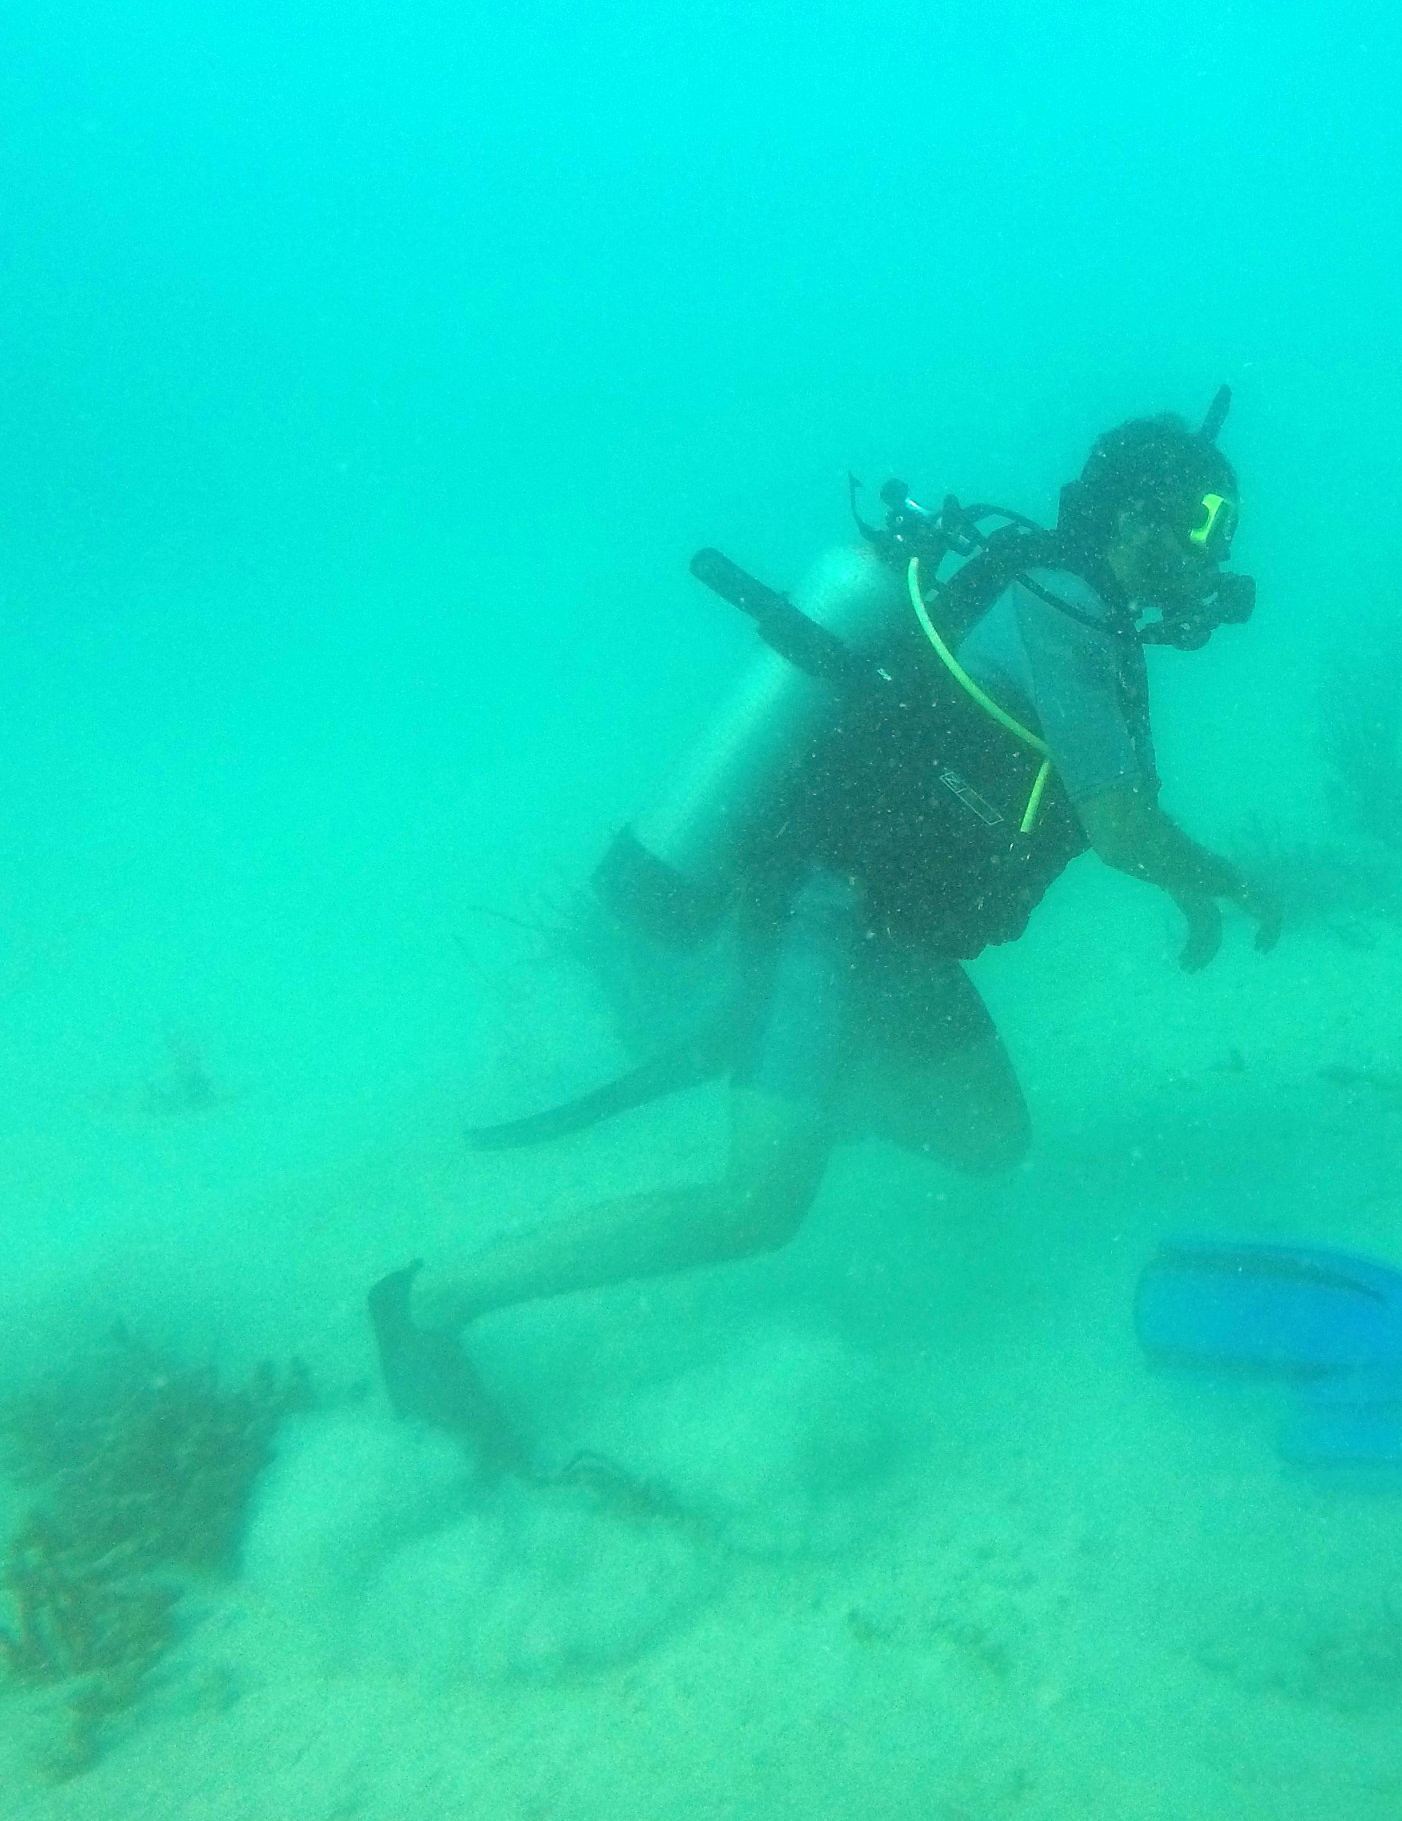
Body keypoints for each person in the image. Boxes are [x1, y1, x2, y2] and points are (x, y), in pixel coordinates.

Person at [372, 406, 1281, 1467]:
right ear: (1135, 519)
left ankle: (789, 1065)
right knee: (755, 1208)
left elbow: (1100, 808)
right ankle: (429, 1304)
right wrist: (1227, 882)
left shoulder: (1074, 606)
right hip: (827, 912)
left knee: (990, 1142)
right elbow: (1122, 825)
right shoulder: (1064, 606)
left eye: (1228, 524)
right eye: (1205, 520)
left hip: (897, 940)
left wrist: (1184, 889)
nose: (1217, 549)